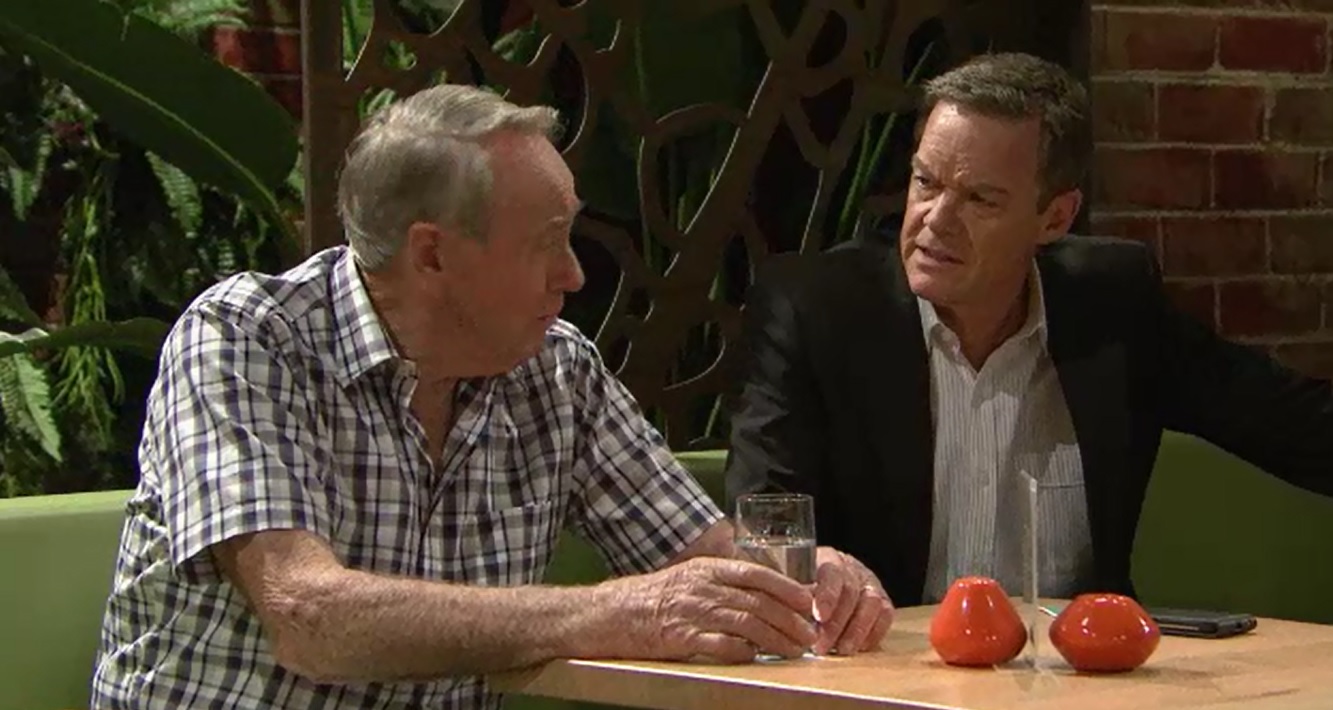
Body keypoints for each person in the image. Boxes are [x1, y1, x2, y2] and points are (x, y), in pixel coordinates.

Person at [91, 84, 893, 709]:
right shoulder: (247, 338)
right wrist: (613, 614)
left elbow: (696, 553)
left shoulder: (554, 370)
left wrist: (804, 581)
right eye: (548, 242)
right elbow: (308, 617)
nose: (573, 275)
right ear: (432, 256)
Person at [725, 51, 1333, 609]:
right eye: (925, 183)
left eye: (980, 199)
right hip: (880, 676)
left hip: (1073, 677)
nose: (934, 221)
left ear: (1055, 218)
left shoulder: (1110, 306)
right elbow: (765, 521)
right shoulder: (817, 311)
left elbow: (1296, 424)